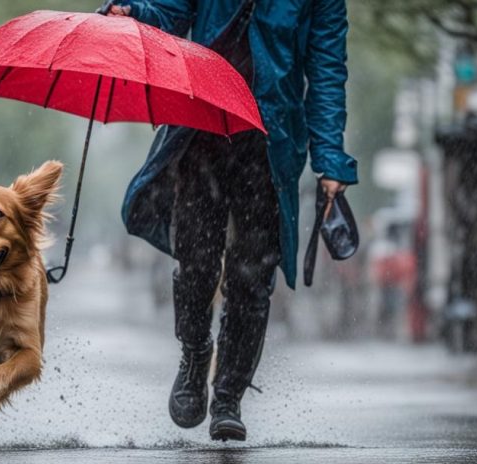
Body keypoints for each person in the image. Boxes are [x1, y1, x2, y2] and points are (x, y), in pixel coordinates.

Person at [108, 0, 357, 441]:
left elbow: (326, 71)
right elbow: (171, 11)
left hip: (269, 139)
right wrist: (133, 11)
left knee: (252, 273)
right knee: (196, 261)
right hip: (199, 126)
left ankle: (229, 396)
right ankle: (195, 351)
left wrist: (331, 160)